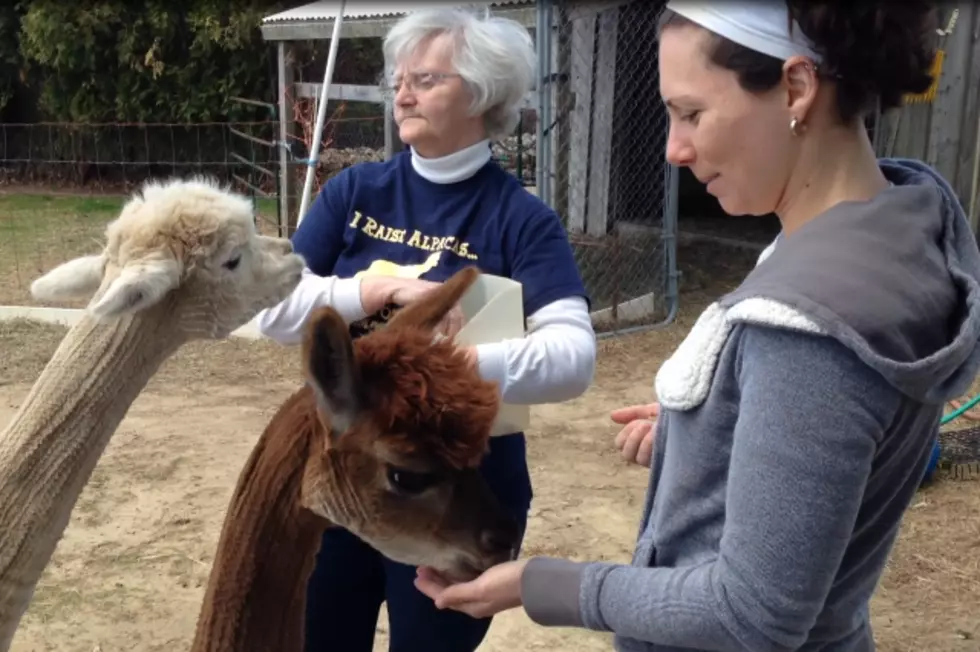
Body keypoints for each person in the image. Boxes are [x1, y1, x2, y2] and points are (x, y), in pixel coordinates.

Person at [414, 2, 980, 651]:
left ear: (796, 89)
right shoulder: (893, 228)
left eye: (691, 113)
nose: (674, 149)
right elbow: (840, 436)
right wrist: (710, 429)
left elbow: (752, 614)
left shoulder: (811, 327)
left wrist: (542, 584)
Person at [253, 6, 596, 652]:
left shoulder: (521, 220)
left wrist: (441, 372)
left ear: (482, 93)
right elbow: (272, 311)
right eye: (398, 79)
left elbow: (573, 358)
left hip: (459, 495)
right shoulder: (354, 193)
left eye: (427, 79)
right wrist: (374, 290)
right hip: (343, 482)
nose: (402, 93)